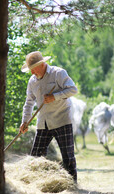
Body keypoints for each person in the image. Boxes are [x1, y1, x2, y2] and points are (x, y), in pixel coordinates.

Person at [19, 51, 78, 182]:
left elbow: (73, 90)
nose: (32, 73)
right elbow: (28, 103)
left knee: (67, 156)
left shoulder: (58, 73)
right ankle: (35, 183)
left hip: (62, 119)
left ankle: (72, 184)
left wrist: (54, 97)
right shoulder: (32, 81)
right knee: (35, 157)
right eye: (30, 70)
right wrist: (25, 121)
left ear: (42, 64)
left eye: (33, 69)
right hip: (43, 122)